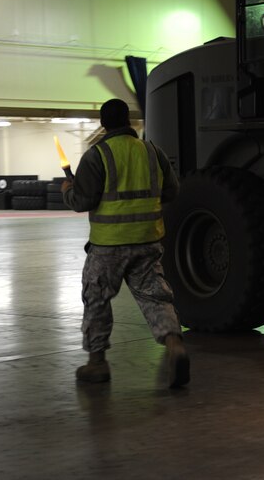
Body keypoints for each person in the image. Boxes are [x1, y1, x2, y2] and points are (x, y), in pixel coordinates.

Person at [62, 99, 189, 388]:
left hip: (109, 245)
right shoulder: (152, 151)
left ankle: (97, 363)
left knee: (97, 297)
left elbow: (82, 201)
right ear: (128, 121)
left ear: (103, 124)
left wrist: (68, 190)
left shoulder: (97, 155)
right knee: (155, 297)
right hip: (148, 240)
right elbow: (173, 191)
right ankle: (174, 345)